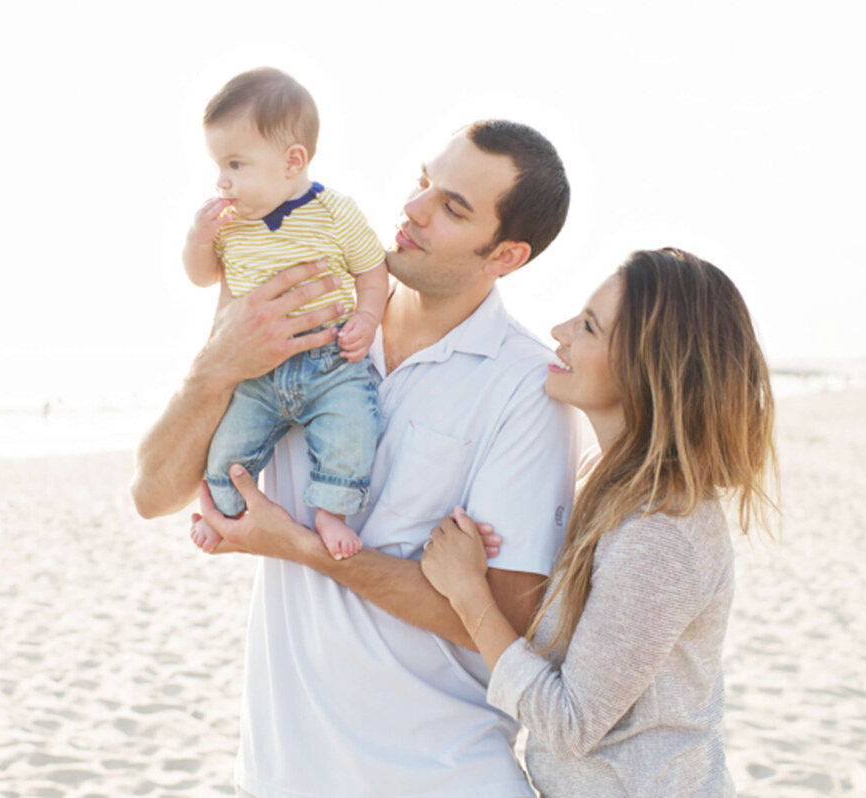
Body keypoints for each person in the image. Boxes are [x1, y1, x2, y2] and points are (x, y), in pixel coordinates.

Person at [134, 120, 577, 796]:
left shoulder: (527, 387)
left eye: (453, 207)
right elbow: (154, 494)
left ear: (506, 256)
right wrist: (216, 367)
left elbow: (513, 624)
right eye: (425, 181)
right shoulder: (295, 313)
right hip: (279, 776)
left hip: (440, 780)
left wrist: (304, 546)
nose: (414, 208)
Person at [418, 248, 779, 797]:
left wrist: (469, 593)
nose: (558, 331)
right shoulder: (601, 478)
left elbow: (570, 724)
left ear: (648, 365)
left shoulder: (663, 531)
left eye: (588, 327)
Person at [185, 67, 389, 560]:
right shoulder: (229, 225)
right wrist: (198, 238)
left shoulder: (337, 211)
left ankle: (331, 511)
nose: (222, 180)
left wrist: (366, 318)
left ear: (292, 161)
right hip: (256, 371)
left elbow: (372, 270)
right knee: (229, 448)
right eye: (217, 165)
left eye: (235, 164)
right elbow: (200, 274)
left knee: (354, 428)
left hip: (331, 360)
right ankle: (227, 512)